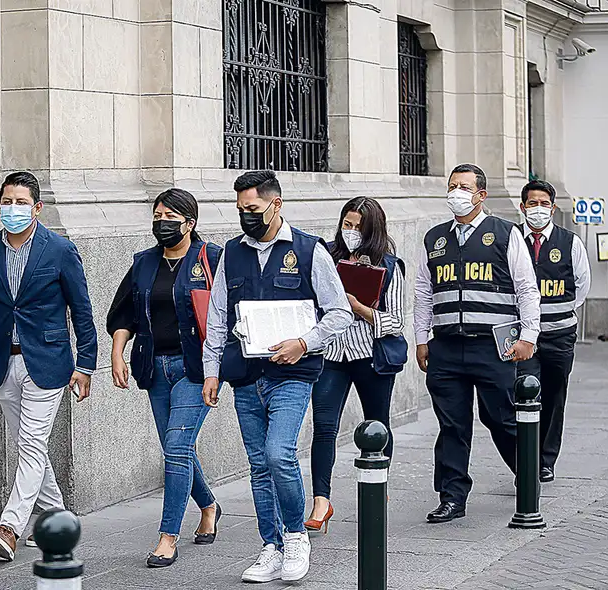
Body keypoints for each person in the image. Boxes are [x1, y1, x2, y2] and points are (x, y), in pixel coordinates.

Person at [202, 170, 354, 583]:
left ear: (276, 204)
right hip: (247, 374)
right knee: (257, 464)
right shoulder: (231, 253)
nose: (245, 216)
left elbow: (339, 312)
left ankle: (294, 536)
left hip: (293, 373)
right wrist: (211, 371)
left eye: (252, 208)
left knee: (278, 454)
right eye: (240, 210)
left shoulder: (309, 250)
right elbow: (218, 317)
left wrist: (303, 343)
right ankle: (269, 545)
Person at [0, 171, 97, 561]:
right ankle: (59, 518)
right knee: (29, 445)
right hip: (3, 362)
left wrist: (86, 365)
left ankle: (9, 526)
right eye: (6, 202)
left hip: (47, 362)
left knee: (30, 444)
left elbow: (81, 310)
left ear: (37, 208)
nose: (12, 209)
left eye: (20, 203)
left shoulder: (60, 250)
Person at [414, 163, 541, 524]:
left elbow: (526, 289)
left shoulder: (504, 234)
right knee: (452, 425)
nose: (457, 193)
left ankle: (527, 472)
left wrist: (529, 336)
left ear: (481, 195)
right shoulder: (435, 238)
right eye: (452, 186)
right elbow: (424, 292)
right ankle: (452, 497)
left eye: (464, 187)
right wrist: (422, 339)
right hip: (447, 348)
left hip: (493, 347)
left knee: (501, 416)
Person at [106, 188, 223, 568]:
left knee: (175, 447)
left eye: (170, 216)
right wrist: (117, 354)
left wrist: (220, 368)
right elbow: (123, 315)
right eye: (157, 215)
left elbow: (228, 314)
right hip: (155, 368)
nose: (162, 222)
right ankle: (208, 505)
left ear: (190, 223)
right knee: (179, 449)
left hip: (196, 368)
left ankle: (167, 535)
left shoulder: (210, 259)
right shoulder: (143, 263)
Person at [304, 197, 407, 533]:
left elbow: (395, 321)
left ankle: (379, 486)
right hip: (331, 354)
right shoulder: (325, 257)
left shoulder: (389, 265)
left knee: (377, 423)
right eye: (347, 225)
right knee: (324, 426)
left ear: (372, 230)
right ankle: (321, 500)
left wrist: (358, 307)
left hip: (370, 355)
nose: (351, 232)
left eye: (358, 227)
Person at [515, 180, 590, 483]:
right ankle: (524, 459)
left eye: (544, 204)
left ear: (553, 208)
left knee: (554, 396)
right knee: (524, 394)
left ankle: (545, 460)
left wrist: (557, 314)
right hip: (523, 338)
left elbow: (582, 285)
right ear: (522, 208)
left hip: (559, 336)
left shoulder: (569, 242)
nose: (538, 209)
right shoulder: (512, 241)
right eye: (532, 204)